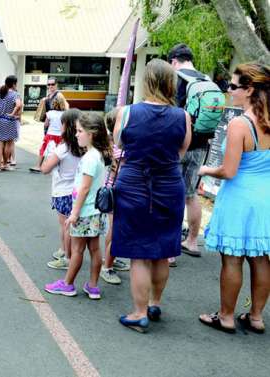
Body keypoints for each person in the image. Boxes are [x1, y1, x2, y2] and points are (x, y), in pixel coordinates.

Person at [111, 59, 192, 333]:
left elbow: (120, 144)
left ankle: (139, 312)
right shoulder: (183, 116)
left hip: (134, 183)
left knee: (139, 254)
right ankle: (155, 303)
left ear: (146, 82)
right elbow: (181, 152)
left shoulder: (127, 113)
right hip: (169, 184)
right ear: (172, 83)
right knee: (161, 250)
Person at [198, 63, 270, 334]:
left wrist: (206, 169)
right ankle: (256, 316)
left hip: (240, 198)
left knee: (232, 259)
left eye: (232, 86)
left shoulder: (240, 124)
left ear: (249, 89)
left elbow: (229, 171)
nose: (228, 91)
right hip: (266, 199)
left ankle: (226, 316)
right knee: (261, 259)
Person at [44, 112, 109, 299]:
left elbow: (84, 188)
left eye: (80, 131)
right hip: (95, 211)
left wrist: (74, 213)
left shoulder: (89, 157)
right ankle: (93, 286)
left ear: (92, 134)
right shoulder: (98, 155)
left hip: (84, 211)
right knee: (95, 249)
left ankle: (68, 284)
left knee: (78, 249)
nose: (76, 134)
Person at [168, 44, 212, 257]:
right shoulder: (206, 80)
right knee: (191, 193)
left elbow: (172, 111)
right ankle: (192, 241)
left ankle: (170, 250)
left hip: (180, 144)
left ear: (174, 60)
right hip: (202, 144)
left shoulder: (178, 78)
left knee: (172, 194)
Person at [40, 109, 84, 270]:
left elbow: (45, 169)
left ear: (66, 126)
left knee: (65, 226)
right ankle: (65, 251)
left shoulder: (63, 149)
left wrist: (49, 154)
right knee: (71, 225)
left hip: (63, 192)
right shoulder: (85, 147)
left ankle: (67, 256)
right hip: (78, 192)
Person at [99, 109, 130, 285]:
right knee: (115, 229)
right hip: (117, 191)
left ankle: (111, 257)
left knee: (114, 228)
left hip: (112, 189)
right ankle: (107, 266)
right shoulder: (121, 148)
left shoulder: (111, 143)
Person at [30, 94, 68, 172]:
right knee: (59, 151)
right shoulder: (65, 114)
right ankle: (59, 167)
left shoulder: (50, 113)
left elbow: (46, 124)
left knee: (43, 149)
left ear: (53, 103)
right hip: (60, 136)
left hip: (50, 135)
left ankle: (38, 166)